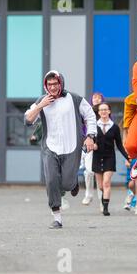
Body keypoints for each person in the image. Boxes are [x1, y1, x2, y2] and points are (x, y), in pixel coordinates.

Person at [24, 70, 96, 229]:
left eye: (55, 84)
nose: (53, 87)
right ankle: (57, 218)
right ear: (45, 86)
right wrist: (41, 105)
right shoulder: (41, 101)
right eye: (49, 84)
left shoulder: (75, 99)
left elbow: (90, 115)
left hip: (72, 146)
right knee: (51, 181)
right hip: (50, 147)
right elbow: (28, 120)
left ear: (61, 83)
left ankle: (72, 183)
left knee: (66, 183)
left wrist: (90, 136)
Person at [92, 102, 130, 216]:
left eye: (105, 109)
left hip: (109, 157)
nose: (103, 112)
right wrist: (92, 146)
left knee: (106, 183)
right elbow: (87, 141)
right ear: (98, 113)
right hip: (97, 157)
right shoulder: (94, 126)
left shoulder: (114, 127)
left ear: (109, 111)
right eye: (101, 110)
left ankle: (105, 208)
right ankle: (104, 198)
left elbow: (119, 145)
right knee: (100, 186)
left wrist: (127, 157)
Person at [81, 92, 104, 206]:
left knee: (100, 174)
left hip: (101, 147)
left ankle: (102, 201)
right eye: (94, 97)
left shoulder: (104, 112)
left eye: (99, 98)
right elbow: (82, 128)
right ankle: (88, 194)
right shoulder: (87, 112)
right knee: (89, 172)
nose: (96, 99)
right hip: (89, 145)